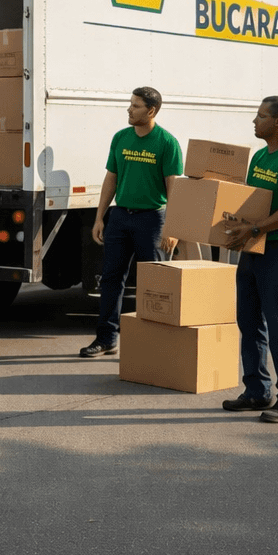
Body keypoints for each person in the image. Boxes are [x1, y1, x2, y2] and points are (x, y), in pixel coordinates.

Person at [220, 96, 278, 424]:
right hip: (254, 250)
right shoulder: (260, 156)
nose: (254, 121)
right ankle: (257, 390)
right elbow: (253, 201)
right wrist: (237, 227)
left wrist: (255, 227)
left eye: (260, 116)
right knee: (249, 323)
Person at [80, 86, 182, 358]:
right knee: (112, 279)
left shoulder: (167, 143)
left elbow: (173, 188)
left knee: (155, 284)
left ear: (150, 111)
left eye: (135, 106)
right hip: (121, 216)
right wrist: (100, 217)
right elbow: (111, 178)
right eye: (130, 104)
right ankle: (106, 339)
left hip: (153, 219)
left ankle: (156, 344)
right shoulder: (121, 138)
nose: (129, 109)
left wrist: (173, 228)